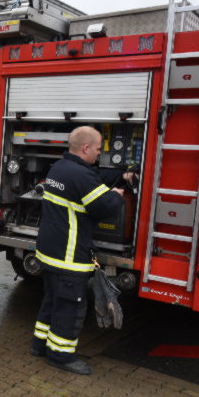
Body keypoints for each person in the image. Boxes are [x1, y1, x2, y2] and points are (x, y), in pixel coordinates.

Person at [30, 126, 125, 375]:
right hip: (69, 256)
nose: (98, 153)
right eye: (96, 149)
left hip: (50, 253)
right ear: (85, 148)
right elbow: (104, 207)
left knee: (51, 300)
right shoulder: (80, 175)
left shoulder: (59, 168)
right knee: (70, 306)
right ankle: (61, 355)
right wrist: (117, 194)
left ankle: (40, 345)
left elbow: (86, 183)